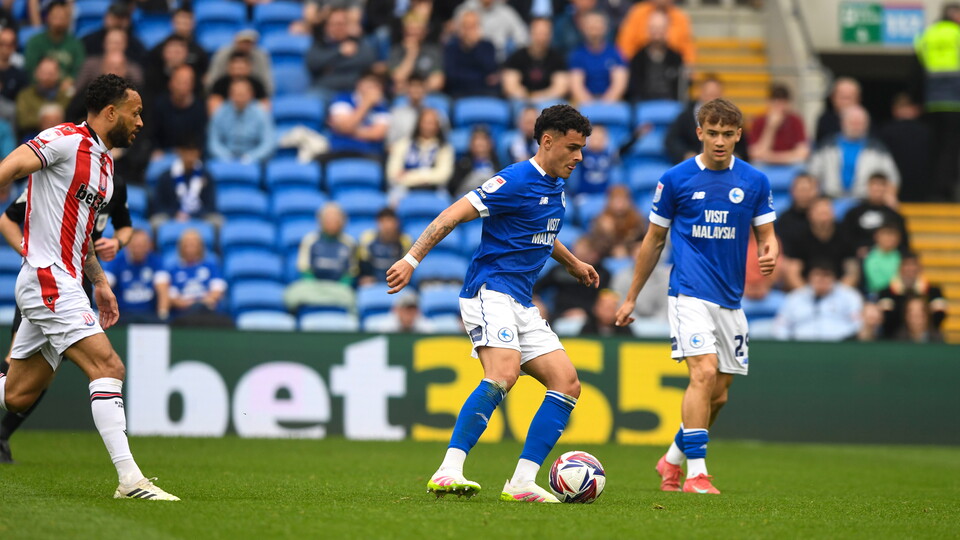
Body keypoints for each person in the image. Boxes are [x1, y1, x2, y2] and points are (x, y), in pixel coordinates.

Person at [387, 104, 598, 503]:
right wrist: (411, 259)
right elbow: (452, 214)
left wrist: (572, 262)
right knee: (503, 373)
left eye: (582, 149)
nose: (579, 157)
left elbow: (539, 230)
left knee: (567, 383)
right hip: (489, 291)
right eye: (573, 147)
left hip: (521, 301)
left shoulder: (556, 184)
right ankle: (448, 470)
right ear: (547, 141)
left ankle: (521, 482)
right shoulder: (514, 180)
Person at [0, 74, 178, 499]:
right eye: (135, 113)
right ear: (111, 112)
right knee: (109, 367)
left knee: (18, 395)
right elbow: (12, 167)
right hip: (47, 277)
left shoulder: (107, 169)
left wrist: (100, 283)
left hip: (68, 280)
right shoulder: (64, 140)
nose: (140, 122)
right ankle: (130, 480)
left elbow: (82, 240)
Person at [614, 98, 779, 495]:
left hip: (730, 299)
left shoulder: (755, 181)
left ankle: (671, 459)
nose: (719, 141)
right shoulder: (676, 179)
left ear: (738, 135)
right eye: (713, 133)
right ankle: (697, 475)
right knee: (702, 373)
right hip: (687, 292)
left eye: (728, 134)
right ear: (699, 132)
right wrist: (631, 296)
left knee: (717, 396)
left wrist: (770, 251)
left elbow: (767, 235)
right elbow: (654, 240)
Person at [914, 3, 960, 200]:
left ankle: (932, 191)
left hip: (932, 104)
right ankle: (946, 192)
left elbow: (915, 72)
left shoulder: (927, 35)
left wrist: (917, 100)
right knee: (951, 149)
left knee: (934, 147)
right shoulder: (957, 34)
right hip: (955, 103)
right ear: (955, 15)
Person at [807, 105, 900, 199]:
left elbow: (892, 177)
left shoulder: (878, 148)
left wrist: (889, 196)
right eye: (852, 122)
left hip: (865, 200)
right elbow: (812, 173)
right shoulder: (826, 145)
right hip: (830, 200)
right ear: (842, 123)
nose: (856, 126)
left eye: (860, 123)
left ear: (867, 125)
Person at [772, 259, 863, 341]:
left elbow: (858, 325)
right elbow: (781, 326)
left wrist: (847, 340)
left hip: (839, 346)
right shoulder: (795, 297)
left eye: (826, 275)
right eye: (817, 274)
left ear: (834, 278)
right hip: (801, 347)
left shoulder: (849, 296)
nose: (821, 279)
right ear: (809, 277)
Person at [782, 196, 858, 291]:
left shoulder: (845, 234)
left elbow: (852, 271)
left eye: (826, 213)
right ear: (810, 214)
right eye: (820, 213)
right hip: (806, 289)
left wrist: (838, 293)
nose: (823, 218)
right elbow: (792, 272)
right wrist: (806, 293)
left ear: (833, 214)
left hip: (838, 288)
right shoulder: (799, 236)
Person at [155, 229, 229, 326]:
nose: (190, 248)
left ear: (200, 246)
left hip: (206, 312)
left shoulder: (210, 266)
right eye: (187, 244)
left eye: (193, 244)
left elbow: (217, 291)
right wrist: (190, 304)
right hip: (184, 314)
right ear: (181, 247)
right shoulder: (174, 270)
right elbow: (172, 297)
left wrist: (202, 302)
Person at [385, 107, 454, 201]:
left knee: (446, 199)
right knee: (392, 199)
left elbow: (443, 176)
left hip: (435, 189)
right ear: (418, 123)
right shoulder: (402, 145)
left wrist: (410, 174)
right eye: (425, 122)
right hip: (405, 189)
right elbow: (393, 175)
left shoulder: (444, 148)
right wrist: (430, 174)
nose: (428, 127)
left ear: (438, 126)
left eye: (432, 123)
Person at [306, 7, 377, 95]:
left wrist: (331, 66)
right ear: (327, 27)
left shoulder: (358, 41)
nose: (339, 27)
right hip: (325, 90)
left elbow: (367, 61)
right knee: (311, 98)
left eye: (342, 24)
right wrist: (339, 52)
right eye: (335, 24)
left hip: (354, 91)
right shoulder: (320, 43)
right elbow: (313, 63)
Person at [151, 139, 220, 228]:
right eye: (186, 152)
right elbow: (159, 205)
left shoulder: (206, 176)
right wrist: (175, 214)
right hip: (171, 217)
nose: (190, 156)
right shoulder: (166, 176)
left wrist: (194, 215)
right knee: (156, 221)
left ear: (199, 153)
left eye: (193, 152)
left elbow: (211, 206)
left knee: (217, 221)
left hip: (200, 217)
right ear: (179, 152)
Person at [877, 253, 947, 339]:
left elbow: (939, 316)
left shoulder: (934, 292)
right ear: (900, 269)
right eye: (906, 266)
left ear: (920, 269)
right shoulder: (887, 293)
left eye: (913, 266)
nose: (910, 270)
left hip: (929, 339)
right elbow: (887, 320)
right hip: (894, 339)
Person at [878, 93, 933, 202]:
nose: (905, 110)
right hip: (898, 184)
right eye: (902, 107)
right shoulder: (926, 130)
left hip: (912, 183)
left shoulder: (886, 130)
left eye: (907, 107)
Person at [207, 78, 276, 164]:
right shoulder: (220, 112)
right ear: (230, 95)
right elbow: (213, 142)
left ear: (251, 95)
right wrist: (226, 157)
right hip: (225, 159)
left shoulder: (261, 113)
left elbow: (268, 143)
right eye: (236, 94)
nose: (239, 98)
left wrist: (250, 157)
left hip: (253, 160)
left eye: (242, 95)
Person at [840, 173, 910, 257]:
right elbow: (846, 239)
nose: (877, 188)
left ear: (886, 188)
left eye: (881, 185)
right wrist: (856, 249)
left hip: (888, 258)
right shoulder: (853, 213)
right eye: (874, 184)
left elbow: (903, 245)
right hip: (858, 257)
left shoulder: (895, 216)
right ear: (868, 186)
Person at [104, 230, 165, 324]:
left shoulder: (156, 261)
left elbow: (163, 289)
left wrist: (162, 317)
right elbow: (105, 287)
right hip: (123, 315)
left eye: (142, 245)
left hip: (149, 314)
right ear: (128, 246)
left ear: (149, 246)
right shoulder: (116, 262)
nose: (138, 249)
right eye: (135, 245)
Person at [501, 17, 569, 102]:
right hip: (522, 100)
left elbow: (561, 88)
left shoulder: (557, 58)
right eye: (539, 33)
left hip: (548, 101)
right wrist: (528, 98)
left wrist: (538, 97)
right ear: (530, 33)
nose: (542, 38)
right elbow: (510, 86)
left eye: (545, 34)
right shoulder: (517, 56)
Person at [568, 10, 627, 104]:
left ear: (605, 28)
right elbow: (577, 86)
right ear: (583, 28)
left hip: (611, 103)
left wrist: (604, 106)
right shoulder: (577, 55)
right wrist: (591, 106)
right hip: (585, 103)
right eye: (590, 26)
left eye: (597, 26)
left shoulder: (615, 53)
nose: (594, 30)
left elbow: (619, 84)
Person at [327, 71, 390, 158]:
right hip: (340, 150)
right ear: (359, 83)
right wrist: (366, 104)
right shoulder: (343, 98)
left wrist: (345, 131)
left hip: (370, 154)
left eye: (377, 85)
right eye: (370, 83)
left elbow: (377, 134)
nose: (373, 88)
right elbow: (346, 126)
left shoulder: (382, 107)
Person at [626, 9, 684, 103]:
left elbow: (681, 88)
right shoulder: (637, 58)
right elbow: (633, 89)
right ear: (648, 30)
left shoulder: (676, 58)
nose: (657, 32)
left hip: (671, 104)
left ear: (667, 30)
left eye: (661, 28)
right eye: (653, 28)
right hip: (644, 105)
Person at [665, 75, 724, 164]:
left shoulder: (730, 117)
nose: (712, 100)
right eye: (709, 95)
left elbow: (739, 146)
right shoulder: (686, 116)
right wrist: (685, 154)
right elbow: (671, 140)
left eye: (716, 95)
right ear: (701, 93)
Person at [150, 65, 207, 155]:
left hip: (190, 154)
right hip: (163, 154)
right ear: (170, 83)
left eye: (186, 83)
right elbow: (152, 135)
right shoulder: (159, 105)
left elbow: (201, 139)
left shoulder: (200, 108)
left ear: (192, 85)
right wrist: (156, 150)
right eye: (179, 82)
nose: (181, 87)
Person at [747, 83, 809, 166]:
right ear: (769, 103)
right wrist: (771, 127)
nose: (780, 108)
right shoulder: (759, 121)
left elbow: (803, 152)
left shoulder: (795, 120)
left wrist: (771, 157)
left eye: (783, 104)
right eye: (776, 104)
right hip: (766, 165)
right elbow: (755, 154)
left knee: (801, 166)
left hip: (789, 164)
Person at [616, 0, 695, 64]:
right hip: (640, 67)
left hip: (671, 67)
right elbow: (625, 47)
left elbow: (687, 50)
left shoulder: (681, 18)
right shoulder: (637, 13)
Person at [443, 10, 499, 98]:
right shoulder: (451, 47)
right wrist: (481, 78)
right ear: (460, 28)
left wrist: (476, 46)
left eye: (472, 26)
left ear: (479, 27)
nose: (469, 31)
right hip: (458, 93)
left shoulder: (488, 46)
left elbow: (490, 72)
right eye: (466, 26)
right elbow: (451, 76)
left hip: (485, 92)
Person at [23, 1, 84, 83]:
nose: (59, 20)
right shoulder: (35, 42)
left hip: (65, 89)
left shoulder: (76, 44)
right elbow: (30, 69)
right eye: (56, 16)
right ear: (48, 17)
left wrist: (70, 80)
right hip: (39, 86)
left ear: (69, 19)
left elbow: (78, 71)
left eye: (63, 17)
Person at [388, 11, 445, 95]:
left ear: (424, 32)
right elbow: (398, 78)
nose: (412, 32)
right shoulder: (396, 50)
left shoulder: (433, 51)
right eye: (409, 29)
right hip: (404, 97)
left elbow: (437, 82)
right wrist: (411, 54)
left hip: (428, 95)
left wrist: (416, 91)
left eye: (416, 30)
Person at [15, 58, 71, 140]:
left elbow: (70, 119)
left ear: (58, 74)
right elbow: (23, 120)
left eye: (51, 73)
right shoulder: (25, 95)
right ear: (36, 73)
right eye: (43, 73)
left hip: (62, 136)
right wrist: (47, 120)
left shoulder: (65, 96)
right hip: (33, 135)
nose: (46, 77)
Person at [454, 0, 529, 61]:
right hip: (468, 56)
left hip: (498, 59)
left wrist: (514, 55)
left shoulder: (505, 12)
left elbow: (523, 37)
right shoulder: (464, 10)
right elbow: (455, 38)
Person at [358, 208, 411, 287]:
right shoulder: (367, 239)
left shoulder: (405, 241)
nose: (387, 226)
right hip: (373, 283)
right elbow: (364, 265)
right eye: (383, 222)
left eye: (390, 222)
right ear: (378, 223)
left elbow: (407, 267)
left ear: (397, 223)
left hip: (398, 282)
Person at [207, 51, 269, 115]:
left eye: (241, 68)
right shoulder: (220, 84)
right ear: (229, 67)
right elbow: (214, 107)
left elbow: (264, 107)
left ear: (249, 67)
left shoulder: (257, 84)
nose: (238, 72)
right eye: (236, 68)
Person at [449, 125, 500, 197]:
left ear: (490, 143)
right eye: (476, 139)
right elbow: (454, 189)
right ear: (470, 143)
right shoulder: (462, 164)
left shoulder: (499, 163)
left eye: (483, 139)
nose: (479, 143)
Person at [776, 171, 818, 253]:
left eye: (808, 190)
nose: (804, 194)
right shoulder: (784, 221)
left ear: (816, 191)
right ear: (792, 191)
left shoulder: (826, 219)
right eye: (801, 190)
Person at [814, 77, 861, 146]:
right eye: (842, 97)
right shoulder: (825, 120)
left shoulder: (865, 120)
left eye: (849, 97)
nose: (845, 102)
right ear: (833, 98)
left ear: (858, 99)